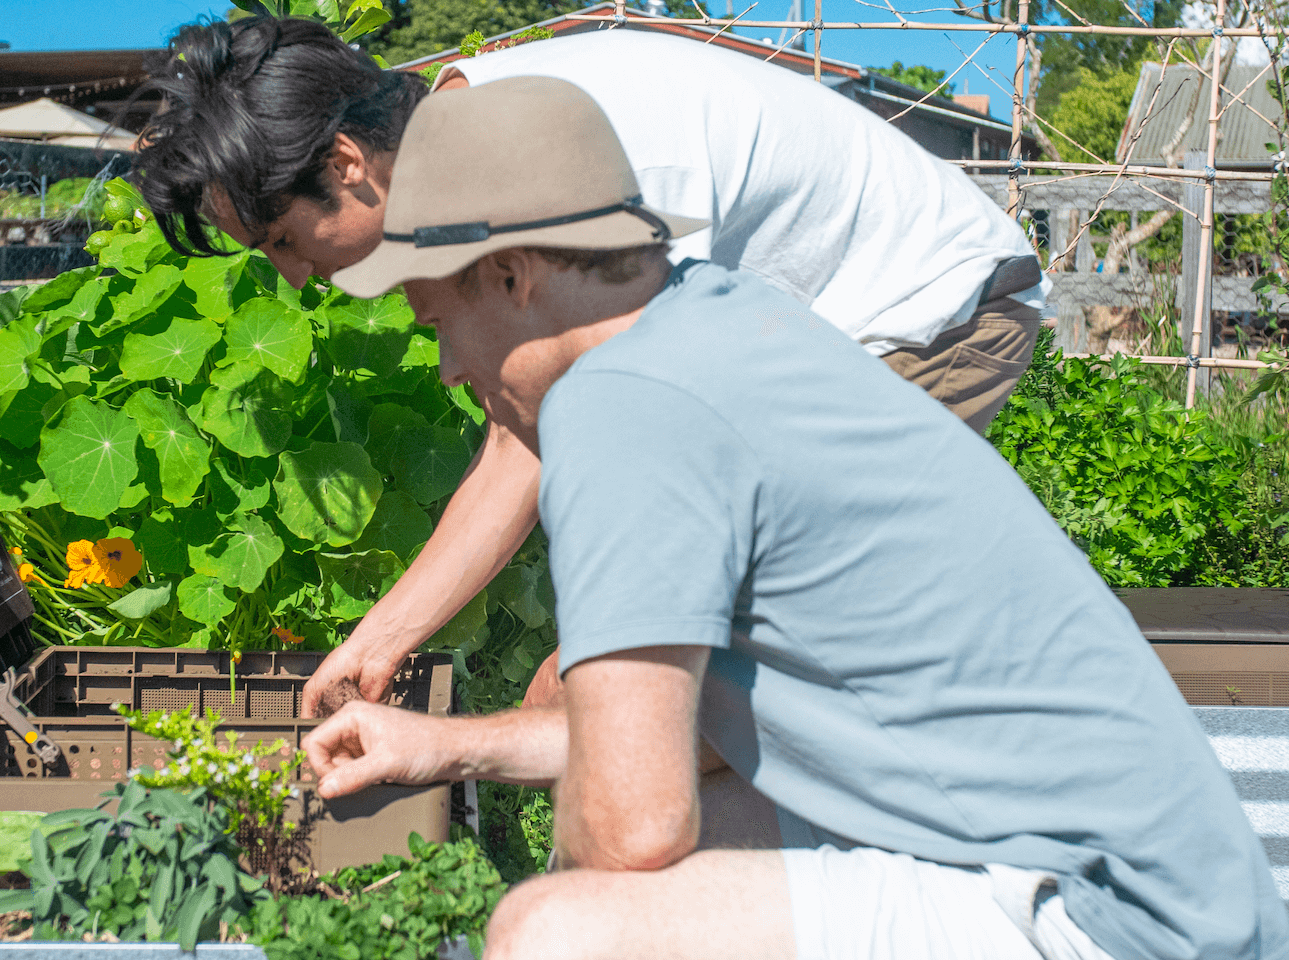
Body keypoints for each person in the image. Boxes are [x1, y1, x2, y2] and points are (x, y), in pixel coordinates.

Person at [303, 76, 1283, 960]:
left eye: (438, 325)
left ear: (514, 275)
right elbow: (668, 749)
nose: (445, 369)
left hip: (1112, 920)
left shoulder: (621, 404)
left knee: (556, 933)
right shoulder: (723, 321)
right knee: (688, 816)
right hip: (1179, 892)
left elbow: (631, 827)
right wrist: (448, 745)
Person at [132, 16, 1049, 714]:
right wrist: (381, 643)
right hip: (793, 343)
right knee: (625, 691)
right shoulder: (467, 148)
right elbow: (530, 427)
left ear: (347, 163)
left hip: (922, 322)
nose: (293, 277)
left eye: (286, 240)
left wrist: (574, 677)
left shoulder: (561, 143)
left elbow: (596, 435)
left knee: (649, 688)